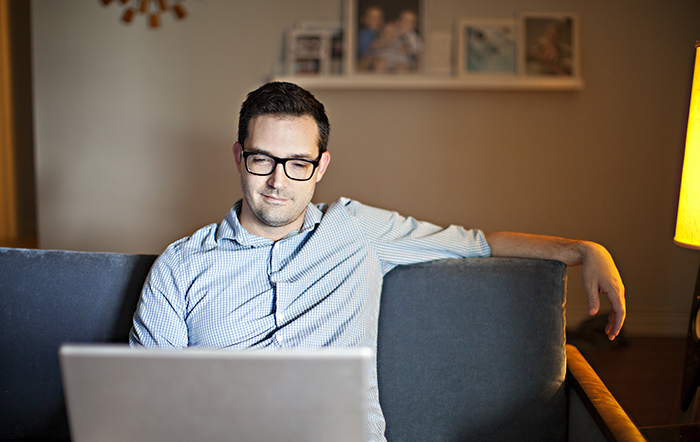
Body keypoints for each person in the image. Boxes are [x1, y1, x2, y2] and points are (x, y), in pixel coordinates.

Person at [130, 81, 625, 442]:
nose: (278, 181)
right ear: (239, 158)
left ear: (320, 166)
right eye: (262, 160)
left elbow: (475, 242)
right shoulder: (180, 267)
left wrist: (583, 250)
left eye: (298, 164)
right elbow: (148, 408)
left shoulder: (357, 230)